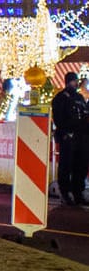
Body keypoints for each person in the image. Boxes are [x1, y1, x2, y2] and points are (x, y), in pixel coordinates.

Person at [50, 71, 89, 204]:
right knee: (66, 165)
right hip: (68, 136)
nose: (76, 83)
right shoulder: (61, 98)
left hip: (81, 136)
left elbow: (85, 115)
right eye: (74, 81)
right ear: (69, 81)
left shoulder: (79, 97)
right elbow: (58, 118)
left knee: (81, 165)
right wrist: (65, 132)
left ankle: (78, 192)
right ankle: (65, 192)